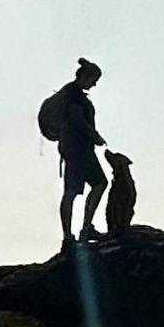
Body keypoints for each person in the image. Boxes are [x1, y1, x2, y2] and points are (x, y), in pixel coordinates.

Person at [39, 57, 108, 246]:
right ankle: (85, 229)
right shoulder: (74, 96)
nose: (94, 84)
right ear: (85, 77)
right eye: (93, 80)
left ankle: (69, 236)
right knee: (98, 183)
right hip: (80, 149)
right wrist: (95, 136)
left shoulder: (68, 93)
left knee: (71, 191)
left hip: (70, 149)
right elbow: (77, 120)